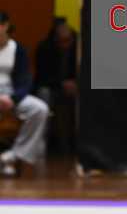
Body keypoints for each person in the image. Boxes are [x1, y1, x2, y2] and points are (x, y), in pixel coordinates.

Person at [0, 11, 49, 177]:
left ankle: (13, 156)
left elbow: (25, 81)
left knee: (40, 109)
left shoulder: (18, 50)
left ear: (6, 26)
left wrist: (13, 99)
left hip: (11, 95)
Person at [34, 19, 78, 154]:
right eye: (62, 41)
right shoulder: (44, 48)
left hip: (75, 86)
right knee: (43, 94)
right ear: (55, 39)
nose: (65, 44)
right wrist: (61, 84)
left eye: (68, 40)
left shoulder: (79, 48)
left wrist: (76, 83)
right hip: (51, 86)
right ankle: (41, 143)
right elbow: (42, 77)